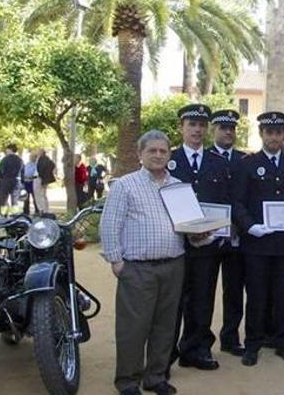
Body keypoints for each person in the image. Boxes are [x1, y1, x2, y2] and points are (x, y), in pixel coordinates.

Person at [101, 130, 196, 395]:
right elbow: (110, 224)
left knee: (165, 326)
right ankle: (128, 381)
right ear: (140, 154)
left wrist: (200, 234)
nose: (157, 155)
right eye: (152, 151)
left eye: (163, 151)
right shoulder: (125, 185)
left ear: (169, 155)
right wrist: (116, 260)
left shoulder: (178, 186)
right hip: (137, 269)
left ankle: (155, 377)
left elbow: (189, 227)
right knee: (133, 328)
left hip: (174, 265)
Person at [232, 111, 284, 366]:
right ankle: (253, 343)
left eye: (278, 133)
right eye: (270, 132)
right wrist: (249, 226)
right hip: (257, 244)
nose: (274, 137)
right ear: (262, 134)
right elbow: (238, 202)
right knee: (256, 295)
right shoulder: (247, 164)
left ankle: (282, 341)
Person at [169, 104, 231, 371]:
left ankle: (197, 348)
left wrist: (217, 230)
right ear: (181, 127)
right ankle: (166, 352)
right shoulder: (168, 160)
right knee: (171, 301)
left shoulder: (218, 163)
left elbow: (225, 202)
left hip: (206, 244)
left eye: (201, 125)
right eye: (191, 124)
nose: (197, 129)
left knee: (203, 298)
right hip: (174, 245)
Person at [208, 109, 247, 357]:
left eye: (232, 128)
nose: (228, 132)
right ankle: (200, 341)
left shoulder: (244, 160)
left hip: (237, 236)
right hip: (209, 236)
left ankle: (230, 338)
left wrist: (239, 224)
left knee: (234, 291)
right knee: (204, 291)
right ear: (214, 130)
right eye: (223, 128)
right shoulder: (206, 158)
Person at [0, 144, 22, 215]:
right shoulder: (19, 160)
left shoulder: (5, 159)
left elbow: (0, 170)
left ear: (10, 150)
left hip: (6, 180)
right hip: (16, 180)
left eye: (7, 149)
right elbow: (22, 171)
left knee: (4, 198)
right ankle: (15, 214)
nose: (6, 151)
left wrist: (1, 178)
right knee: (15, 198)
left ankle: (4, 214)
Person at [34, 148, 56, 215]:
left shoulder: (42, 159)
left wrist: (43, 176)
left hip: (40, 178)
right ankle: (45, 209)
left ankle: (42, 210)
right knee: (43, 194)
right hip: (43, 178)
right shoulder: (45, 159)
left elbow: (42, 168)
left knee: (39, 194)